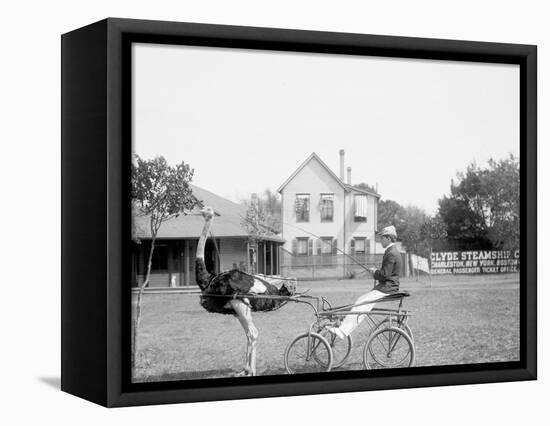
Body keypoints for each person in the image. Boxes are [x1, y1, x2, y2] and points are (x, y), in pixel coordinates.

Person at [328, 225, 402, 339]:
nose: (380, 240)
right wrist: (376, 272)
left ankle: (343, 331)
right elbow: (387, 273)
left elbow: (384, 275)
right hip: (388, 286)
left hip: (387, 287)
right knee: (361, 302)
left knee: (361, 303)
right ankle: (344, 328)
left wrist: (375, 272)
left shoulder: (391, 253)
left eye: (382, 237)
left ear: (388, 238)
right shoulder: (393, 251)